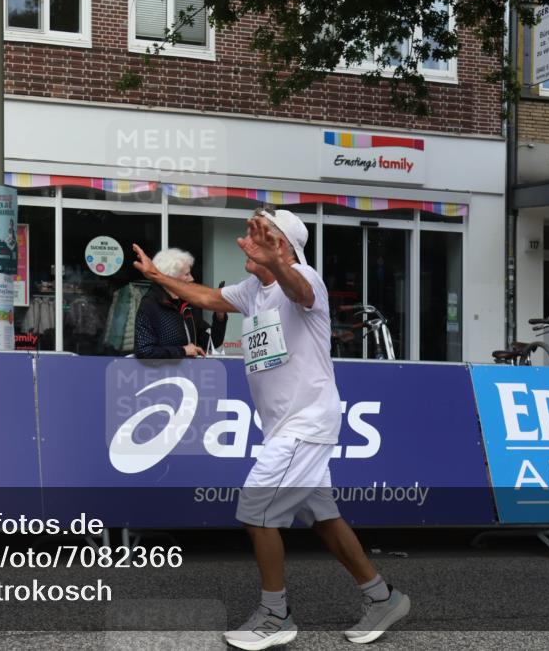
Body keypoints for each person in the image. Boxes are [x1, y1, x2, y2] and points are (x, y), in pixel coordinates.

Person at [133, 208, 409, 649]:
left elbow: (299, 290)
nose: (248, 238)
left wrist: (281, 262)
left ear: (281, 245)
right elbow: (204, 297)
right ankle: (384, 597)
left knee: (256, 508)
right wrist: (157, 276)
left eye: (260, 233)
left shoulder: (304, 278)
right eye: (249, 231)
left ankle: (275, 614)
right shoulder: (253, 290)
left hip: (307, 421)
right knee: (324, 519)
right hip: (284, 426)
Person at [133, 248, 226, 358]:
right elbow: (144, 351)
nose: (192, 278)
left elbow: (211, 343)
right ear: (170, 278)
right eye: (187, 274)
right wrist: (183, 351)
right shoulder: (150, 305)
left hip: (189, 374)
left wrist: (220, 316)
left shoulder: (189, 303)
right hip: (161, 374)